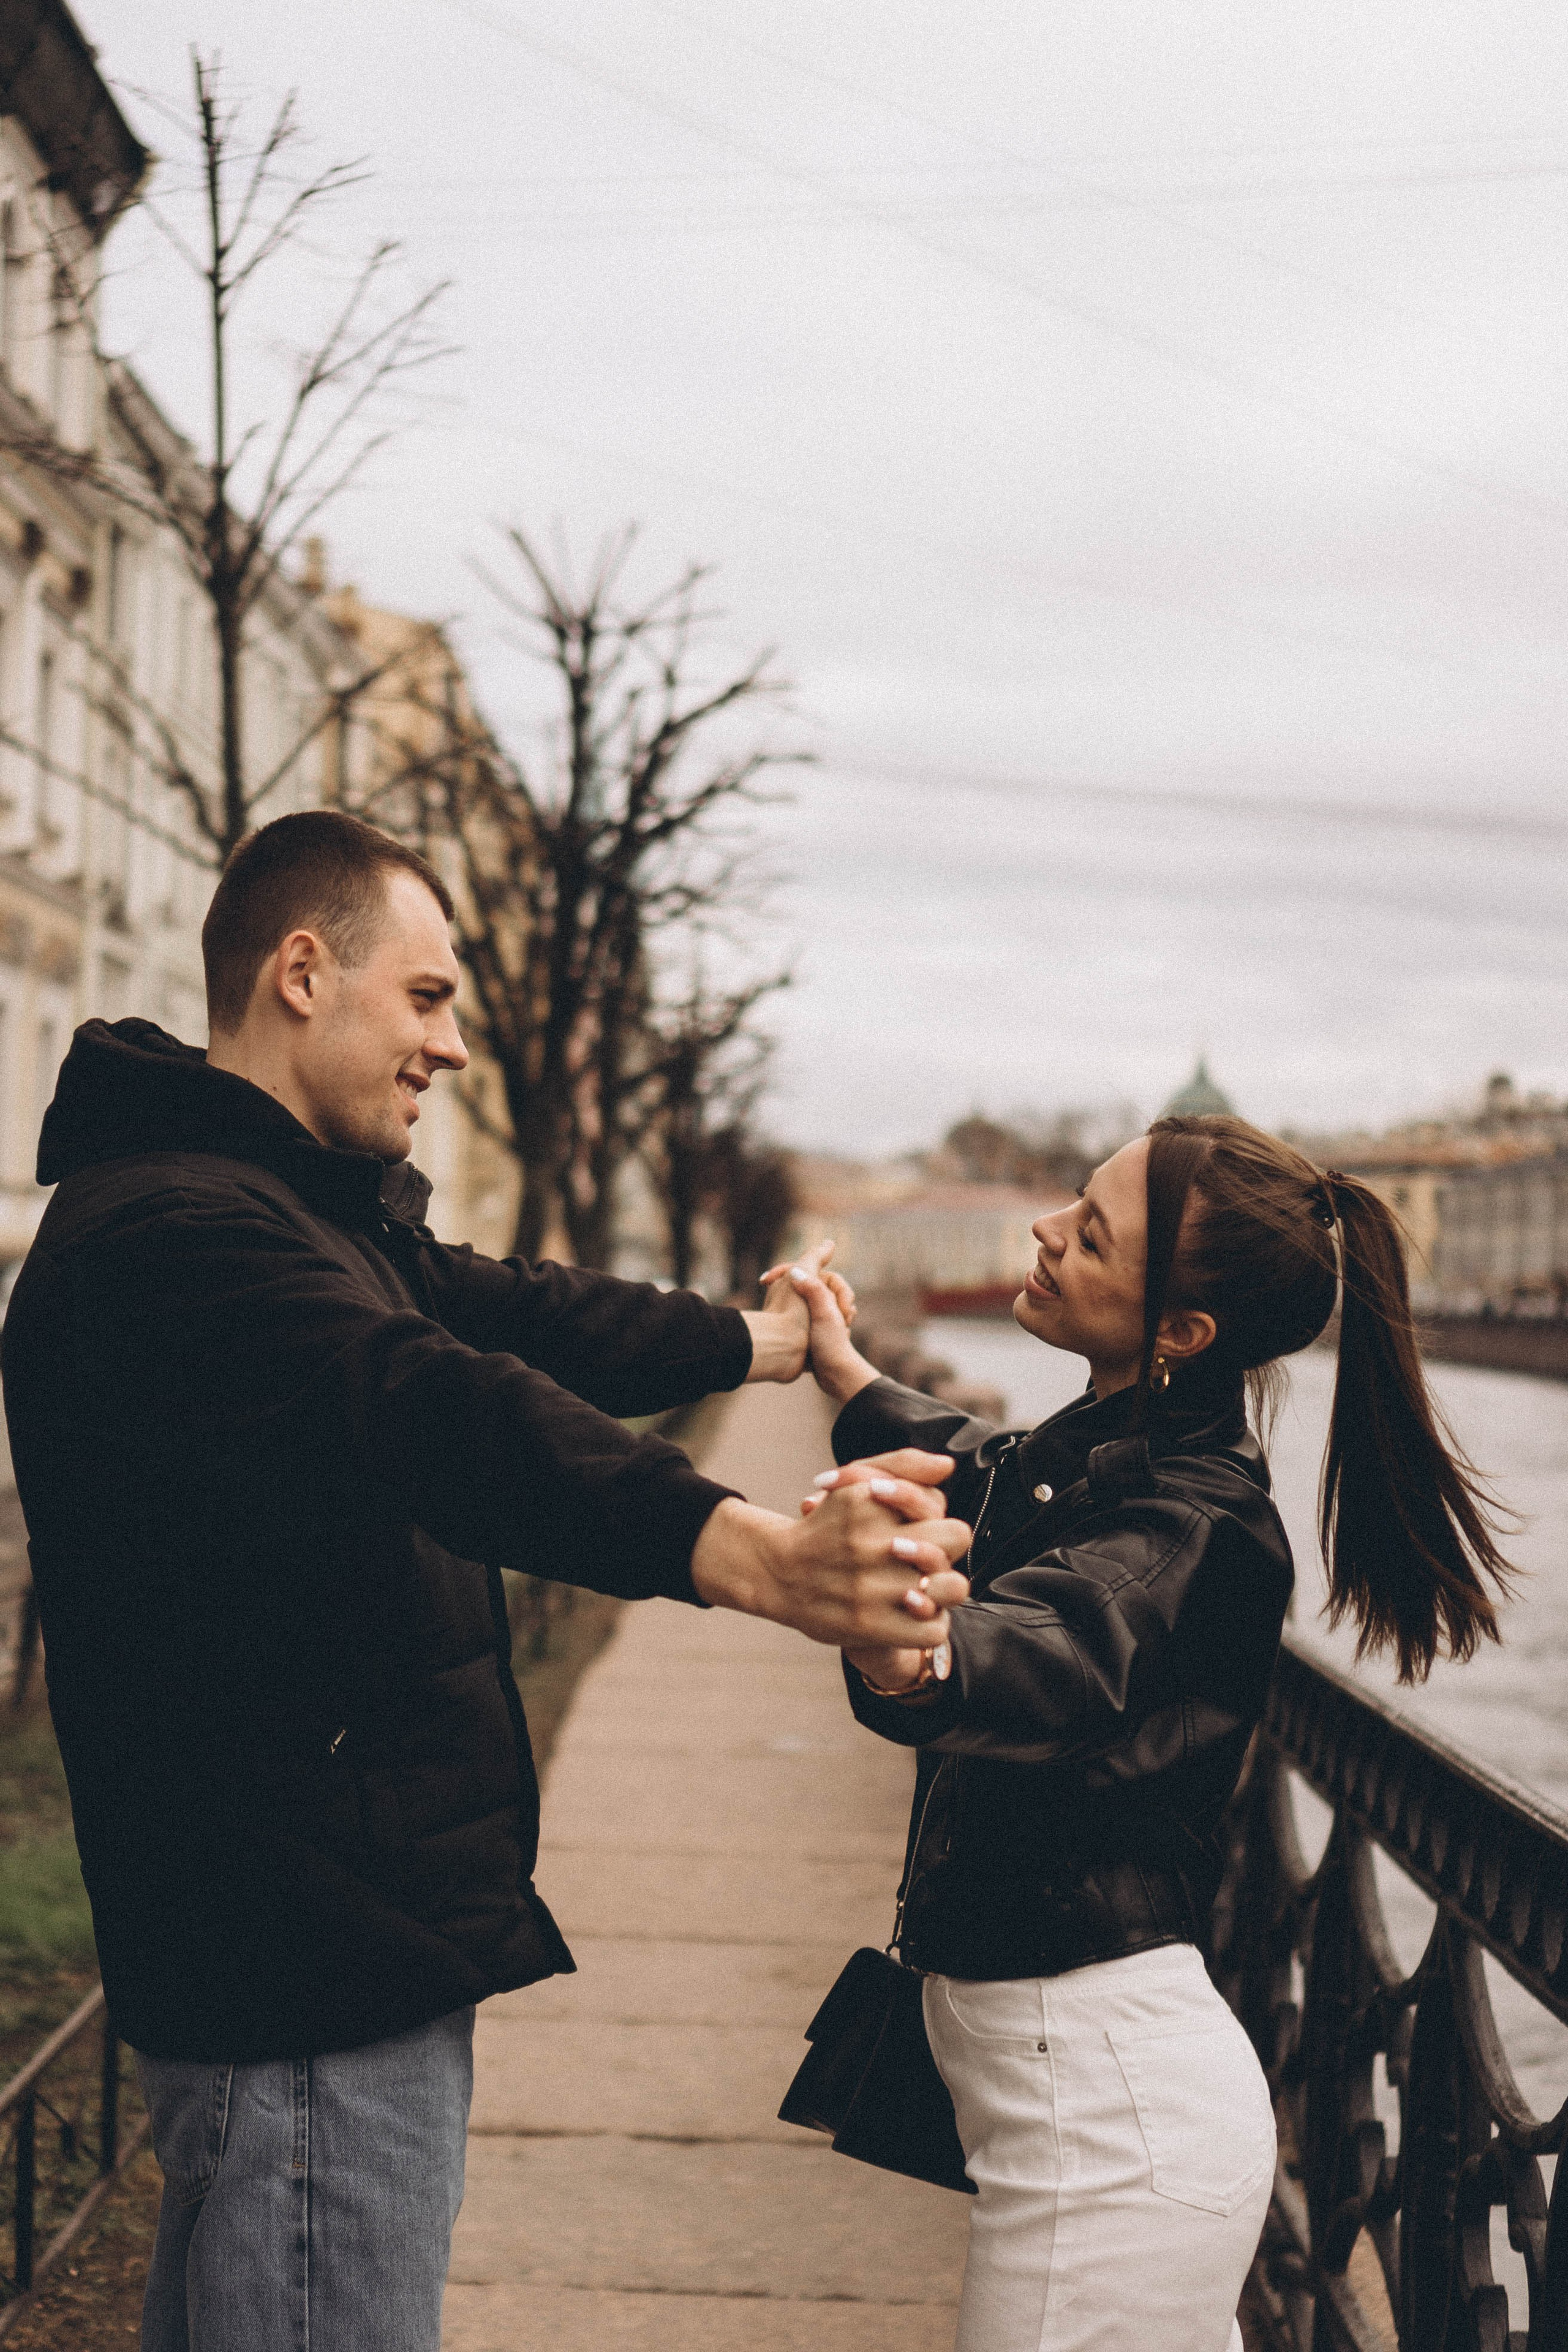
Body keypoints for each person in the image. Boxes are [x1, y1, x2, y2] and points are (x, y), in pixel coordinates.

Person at [0, 810, 970, 2352]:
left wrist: (764, 1343)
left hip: (312, 1936)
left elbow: (511, 1317)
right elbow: (434, 1404)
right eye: (429, 998)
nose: (448, 1048)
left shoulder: (271, 1207)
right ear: (303, 973)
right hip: (310, 1959)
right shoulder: (186, 1236)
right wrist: (761, 1554)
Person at [786, 1114, 1511, 2352]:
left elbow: (1056, 1644)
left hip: (1108, 2143)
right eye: (1072, 1200)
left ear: (1179, 1332)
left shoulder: (1192, 1525)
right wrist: (842, 1370)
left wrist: (902, 1637)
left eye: (1091, 1233)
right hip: (1088, 2112)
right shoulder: (1101, 1458)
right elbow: (978, 1462)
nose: (1044, 1230)